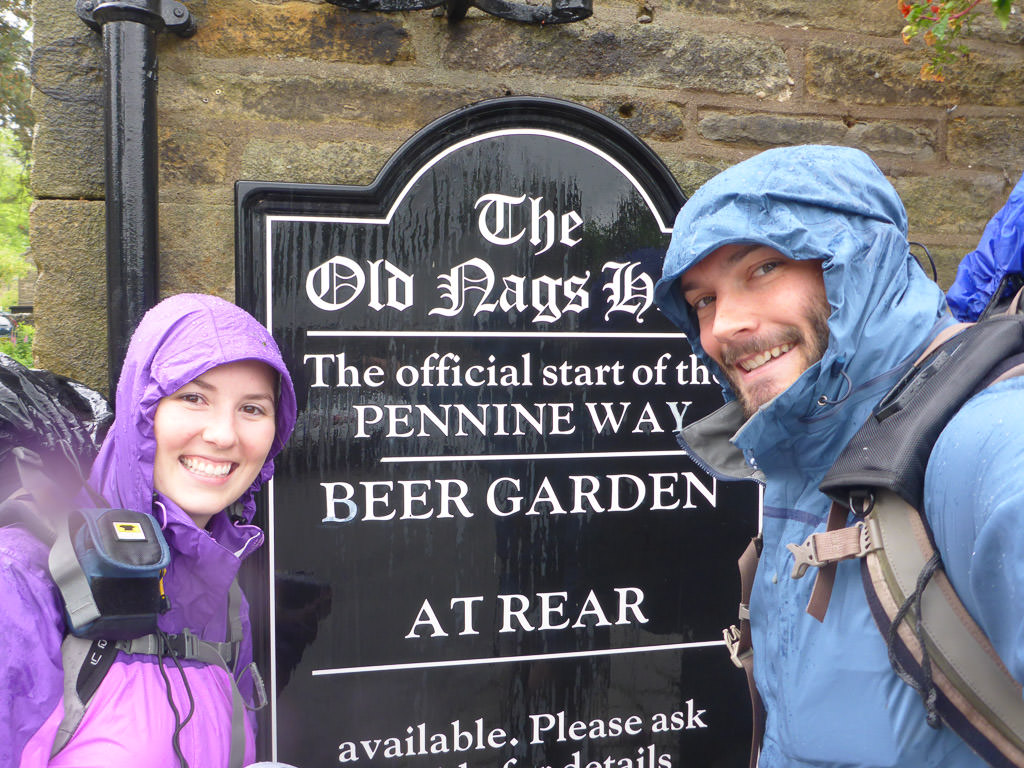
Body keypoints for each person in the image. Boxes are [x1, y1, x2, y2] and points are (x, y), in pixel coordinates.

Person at [654, 144, 1023, 767]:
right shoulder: (804, 454)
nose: (722, 326)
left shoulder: (993, 447)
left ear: (858, 262)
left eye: (764, 268)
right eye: (703, 301)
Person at [2, 293, 297, 767]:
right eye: (193, 397)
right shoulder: (20, 579)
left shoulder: (223, 588)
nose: (223, 434)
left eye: (253, 409)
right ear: (141, 410)